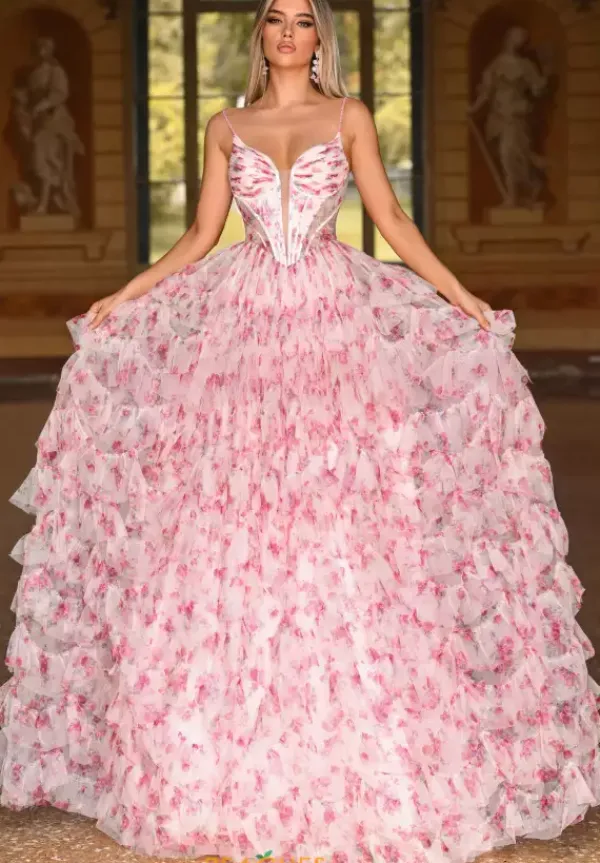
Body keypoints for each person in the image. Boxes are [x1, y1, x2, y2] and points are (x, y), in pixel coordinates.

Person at [1, 1, 599, 861]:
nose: (289, 32)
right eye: (276, 19)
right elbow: (201, 234)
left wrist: (460, 296)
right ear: (262, 36)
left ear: (321, 38)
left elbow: (392, 222)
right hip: (241, 326)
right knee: (233, 514)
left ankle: (355, 744)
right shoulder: (225, 125)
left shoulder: (349, 116)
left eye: (303, 20)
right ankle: (221, 760)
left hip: (331, 320)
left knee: (336, 511)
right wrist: (126, 294)